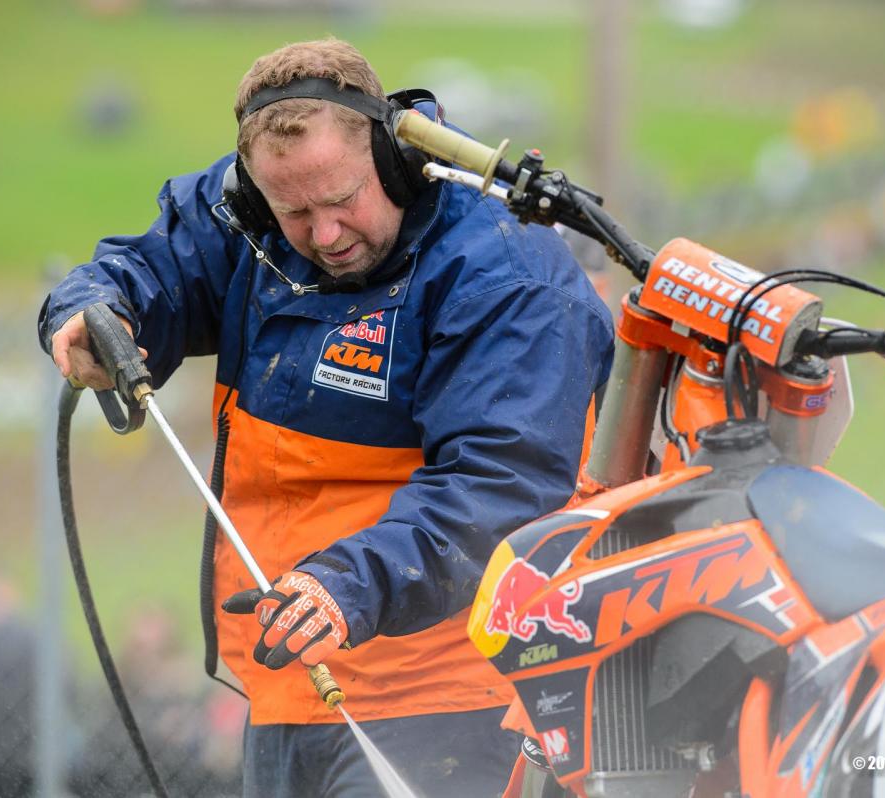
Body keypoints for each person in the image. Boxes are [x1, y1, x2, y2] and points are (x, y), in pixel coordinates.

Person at [38, 37, 614, 797]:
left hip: (452, 696)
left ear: (393, 157)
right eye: (294, 211)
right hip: (289, 681)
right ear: (255, 193)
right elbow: (154, 264)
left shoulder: (502, 274)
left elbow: (503, 485)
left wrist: (349, 583)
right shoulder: (251, 221)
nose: (325, 234)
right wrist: (93, 309)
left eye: (342, 201)